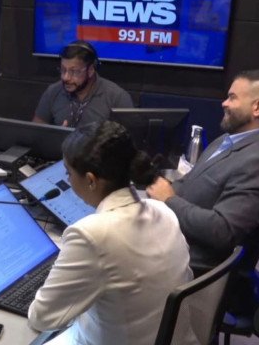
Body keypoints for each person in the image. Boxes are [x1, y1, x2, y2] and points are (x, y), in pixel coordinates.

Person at [28, 121, 196, 345]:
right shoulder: (163, 210)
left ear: (90, 180)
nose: (68, 180)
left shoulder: (90, 235)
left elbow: (41, 318)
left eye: (69, 173)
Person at [146, 70, 259, 297]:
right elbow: (190, 182)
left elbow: (222, 232)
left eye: (232, 97)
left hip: (200, 276)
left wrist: (169, 199)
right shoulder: (227, 140)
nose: (224, 103)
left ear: (258, 107)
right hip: (176, 246)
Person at [32, 40, 133, 128]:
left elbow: (130, 139)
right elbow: (36, 132)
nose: (65, 77)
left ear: (90, 70)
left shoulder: (117, 97)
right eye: (63, 70)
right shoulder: (53, 91)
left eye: (74, 71)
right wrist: (55, 136)